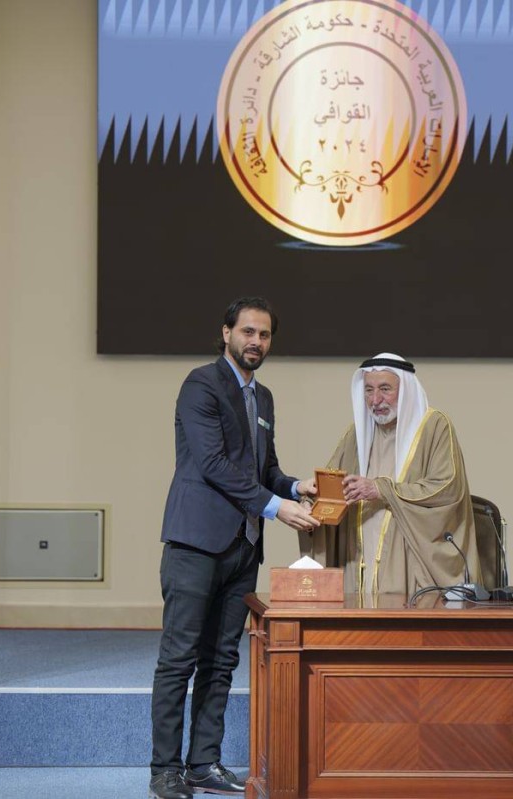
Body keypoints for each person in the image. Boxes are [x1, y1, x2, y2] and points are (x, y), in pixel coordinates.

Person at [149, 298, 318, 799]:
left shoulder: (263, 398)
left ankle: (203, 764)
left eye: (264, 335)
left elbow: (263, 469)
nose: (256, 342)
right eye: (247, 331)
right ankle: (164, 771)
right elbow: (213, 465)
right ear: (226, 333)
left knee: (221, 660)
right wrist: (276, 507)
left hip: (244, 547)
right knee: (179, 659)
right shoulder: (201, 384)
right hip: (196, 543)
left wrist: (295, 488)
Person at [299, 353, 479, 596]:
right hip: (358, 560)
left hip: (409, 562)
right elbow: (331, 486)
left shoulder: (434, 427)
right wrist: (309, 504)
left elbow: (447, 489)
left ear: (405, 390)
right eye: (369, 390)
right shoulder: (356, 434)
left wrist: (380, 489)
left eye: (385, 389)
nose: (376, 400)